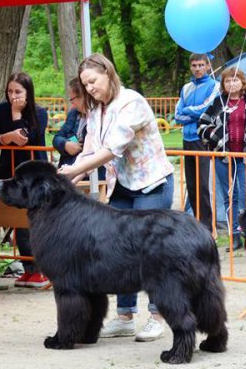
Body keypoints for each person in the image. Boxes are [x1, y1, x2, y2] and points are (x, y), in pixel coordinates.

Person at [59, 53, 175, 342]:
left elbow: (112, 149)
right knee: (118, 249)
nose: (90, 89)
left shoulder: (131, 102)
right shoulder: (96, 111)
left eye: (93, 81)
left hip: (151, 184)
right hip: (122, 186)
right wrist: (66, 175)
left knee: (151, 252)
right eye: (85, 85)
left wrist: (75, 170)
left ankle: (157, 316)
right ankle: (124, 316)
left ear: (108, 74)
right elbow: (90, 149)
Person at [198, 67, 246, 250]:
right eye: (227, 81)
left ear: (243, 83)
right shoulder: (218, 103)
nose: (232, 84)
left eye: (235, 80)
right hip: (224, 158)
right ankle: (235, 236)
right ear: (223, 85)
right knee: (229, 196)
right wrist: (217, 140)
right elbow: (202, 125)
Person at [0, 72, 49, 288]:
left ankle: (40, 270)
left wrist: (16, 115)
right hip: (10, 171)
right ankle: (28, 269)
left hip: (33, 173)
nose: (13, 96)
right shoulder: (1, 109)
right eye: (10, 91)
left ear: (27, 92)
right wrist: (7, 137)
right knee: (17, 221)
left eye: (18, 92)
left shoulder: (40, 112)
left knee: (32, 222)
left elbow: (26, 138)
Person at [174, 53, 220, 227]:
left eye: (201, 65)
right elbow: (177, 115)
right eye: (194, 65)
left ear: (208, 66)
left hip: (203, 139)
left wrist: (189, 112)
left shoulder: (214, 85)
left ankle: (208, 226)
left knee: (203, 185)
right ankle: (196, 224)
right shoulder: (186, 88)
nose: (198, 69)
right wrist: (191, 114)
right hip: (187, 139)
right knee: (192, 186)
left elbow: (206, 110)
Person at [53, 78, 87, 168]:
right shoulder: (74, 114)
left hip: (87, 174)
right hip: (67, 170)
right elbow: (57, 138)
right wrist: (65, 144)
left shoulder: (97, 118)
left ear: (82, 96)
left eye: (72, 98)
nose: (71, 102)